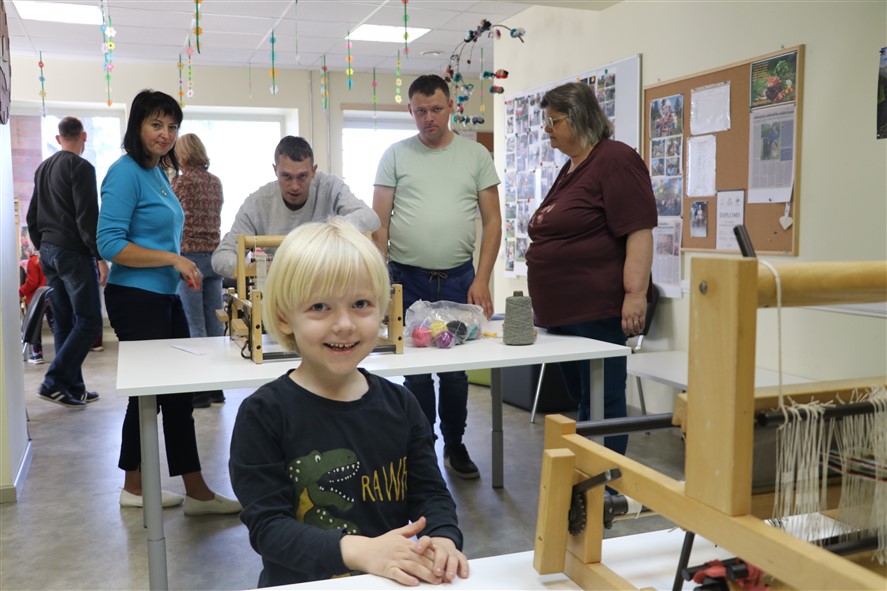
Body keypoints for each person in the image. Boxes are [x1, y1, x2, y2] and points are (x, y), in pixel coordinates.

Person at [230, 219, 467, 587]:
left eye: (360, 304)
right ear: (283, 317)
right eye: (320, 307)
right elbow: (269, 528)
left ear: (381, 309)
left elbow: (430, 492)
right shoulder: (263, 415)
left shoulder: (401, 405)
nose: (344, 324)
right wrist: (360, 551)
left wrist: (443, 537)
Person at [98, 89, 241, 514]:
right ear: (137, 126)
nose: (165, 134)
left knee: (179, 394)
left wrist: (179, 265)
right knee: (147, 395)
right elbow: (109, 244)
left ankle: (196, 492)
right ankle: (134, 487)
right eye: (156, 124)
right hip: (134, 297)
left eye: (172, 126)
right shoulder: (124, 173)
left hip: (162, 295)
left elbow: (158, 233)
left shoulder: (159, 171)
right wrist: (173, 259)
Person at [372, 74, 501, 480]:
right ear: (410, 111)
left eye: (436, 109)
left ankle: (455, 444)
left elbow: (493, 221)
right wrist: (380, 282)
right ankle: (423, 447)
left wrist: (482, 279)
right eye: (420, 111)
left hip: (460, 279)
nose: (429, 118)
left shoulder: (475, 155)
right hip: (407, 279)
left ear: (451, 108)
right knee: (416, 370)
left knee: (455, 371)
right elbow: (379, 223)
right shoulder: (395, 155)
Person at [526, 82, 657, 455]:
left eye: (554, 121)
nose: (547, 129)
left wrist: (635, 294)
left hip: (597, 310)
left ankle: (607, 478)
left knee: (605, 398)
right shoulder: (572, 167)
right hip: (564, 313)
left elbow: (638, 230)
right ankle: (587, 471)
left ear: (578, 118)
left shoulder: (615, 160)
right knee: (585, 397)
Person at [211, 136, 379, 279]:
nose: (295, 186)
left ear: (313, 171)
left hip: (325, 283)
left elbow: (370, 218)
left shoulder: (330, 187)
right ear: (275, 170)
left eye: (302, 176)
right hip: (278, 288)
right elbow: (220, 257)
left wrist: (328, 229)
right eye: (286, 176)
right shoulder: (256, 204)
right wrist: (260, 268)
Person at [26, 116, 107, 409]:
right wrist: (99, 256)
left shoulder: (43, 168)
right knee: (90, 321)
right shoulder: (82, 167)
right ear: (84, 136)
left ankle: (73, 388)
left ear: (59, 139)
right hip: (72, 252)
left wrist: (43, 246)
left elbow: (31, 217)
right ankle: (54, 381)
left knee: (64, 321)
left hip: (48, 251)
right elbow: (87, 218)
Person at [171, 133, 226, 407]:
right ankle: (216, 388)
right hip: (215, 258)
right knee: (215, 325)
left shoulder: (179, 184)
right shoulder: (215, 182)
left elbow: (172, 220)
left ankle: (200, 390)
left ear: (181, 155)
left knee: (194, 324)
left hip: (190, 261)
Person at [19, 247, 54, 364]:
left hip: (37, 298)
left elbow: (32, 282)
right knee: (55, 325)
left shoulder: (33, 261)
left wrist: (20, 292)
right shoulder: (50, 257)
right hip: (52, 295)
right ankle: (64, 349)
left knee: (36, 326)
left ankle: (37, 354)